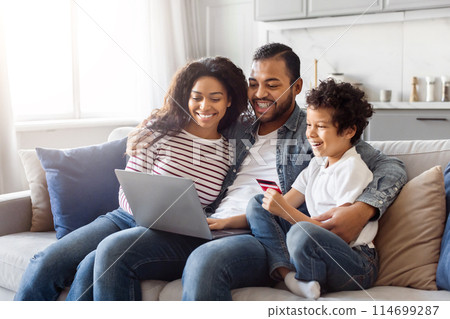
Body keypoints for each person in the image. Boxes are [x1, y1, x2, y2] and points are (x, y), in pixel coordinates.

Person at [181, 43, 407, 300]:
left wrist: (363, 208)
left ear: (296, 87)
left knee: (205, 261)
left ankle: (285, 271)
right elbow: (191, 113)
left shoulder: (316, 133)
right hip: (214, 222)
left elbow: (392, 166)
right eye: (253, 83)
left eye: (272, 85)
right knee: (124, 248)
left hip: (262, 237)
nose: (259, 93)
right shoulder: (237, 126)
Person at [14, 56, 249, 301]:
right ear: (186, 97)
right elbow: (129, 185)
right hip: (124, 218)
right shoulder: (160, 130)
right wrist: (143, 217)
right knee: (47, 262)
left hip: (169, 235)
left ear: (229, 100)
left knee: (89, 267)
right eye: (197, 97)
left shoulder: (230, 151)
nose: (204, 106)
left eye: (215, 98)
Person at [246, 79, 377, 299]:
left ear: (348, 130)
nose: (310, 134)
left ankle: (306, 279)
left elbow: (339, 234)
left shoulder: (351, 168)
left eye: (321, 126)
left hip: (355, 262)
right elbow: (284, 203)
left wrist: (285, 212)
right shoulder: (317, 164)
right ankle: (289, 274)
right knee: (258, 203)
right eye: (309, 124)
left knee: (301, 232)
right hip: (318, 246)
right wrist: (224, 222)